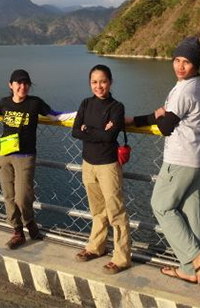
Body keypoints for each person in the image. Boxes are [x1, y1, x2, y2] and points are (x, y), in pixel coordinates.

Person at [126, 36, 200, 285]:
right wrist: (134, 121)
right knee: (191, 213)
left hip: (180, 158)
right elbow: (161, 116)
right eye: (177, 60)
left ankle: (194, 256)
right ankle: (192, 269)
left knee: (161, 205)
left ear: (195, 65)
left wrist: (161, 115)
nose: (180, 66)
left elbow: (165, 126)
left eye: (186, 62)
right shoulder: (193, 85)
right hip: (195, 158)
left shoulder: (184, 89)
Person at [0, 69, 73, 250]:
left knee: (23, 196)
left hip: (25, 156)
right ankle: (17, 231)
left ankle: (29, 222)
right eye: (19, 83)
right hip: (4, 154)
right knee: (8, 195)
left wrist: (79, 114)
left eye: (26, 83)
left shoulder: (34, 103)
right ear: (10, 85)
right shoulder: (4, 102)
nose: (23, 87)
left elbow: (56, 116)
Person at [71, 64, 131, 275]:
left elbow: (109, 137)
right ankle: (96, 247)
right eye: (94, 82)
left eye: (103, 81)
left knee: (116, 211)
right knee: (97, 210)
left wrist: (88, 129)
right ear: (90, 83)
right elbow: (75, 132)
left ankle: (122, 257)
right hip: (88, 164)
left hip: (108, 166)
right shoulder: (86, 103)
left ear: (110, 82)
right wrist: (95, 130)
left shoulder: (116, 107)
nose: (99, 86)